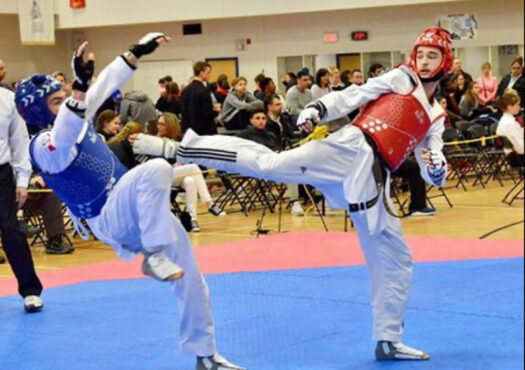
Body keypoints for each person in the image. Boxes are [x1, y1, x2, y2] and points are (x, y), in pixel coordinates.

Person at [177, 27, 453, 362]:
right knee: (271, 164)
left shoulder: (436, 115)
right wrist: (318, 109)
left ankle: (388, 339)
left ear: (445, 61)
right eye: (421, 54)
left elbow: (431, 161)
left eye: (432, 55)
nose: (423, 61)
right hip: (348, 150)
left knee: (396, 258)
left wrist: (436, 169)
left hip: (374, 179)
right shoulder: (401, 78)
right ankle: (191, 147)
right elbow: (353, 94)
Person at [15, 33, 244, 370]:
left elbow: (103, 85)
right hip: (108, 215)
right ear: (38, 111)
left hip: (136, 211)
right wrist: (78, 85)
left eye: (65, 97)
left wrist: (135, 52)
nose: (65, 103)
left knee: (192, 279)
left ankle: (206, 355)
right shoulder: (42, 145)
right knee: (155, 169)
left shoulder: (76, 115)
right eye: (55, 101)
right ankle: (153, 255)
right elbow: (65, 130)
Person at [0, 80, 44, 312]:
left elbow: (19, 142)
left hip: (2, 174)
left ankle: (30, 290)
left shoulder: (7, 100)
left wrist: (22, 181)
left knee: (10, 229)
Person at [153, 112, 226, 232]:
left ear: (170, 126)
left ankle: (192, 219)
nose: (158, 127)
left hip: (178, 175)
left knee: (190, 181)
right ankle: (209, 203)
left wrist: (181, 164)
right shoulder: (155, 142)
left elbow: (188, 158)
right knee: (193, 168)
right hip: (162, 176)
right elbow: (154, 163)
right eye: (158, 124)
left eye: (162, 124)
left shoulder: (180, 142)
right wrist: (172, 164)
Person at [180, 61, 219, 135]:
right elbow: (207, 114)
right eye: (208, 72)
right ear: (201, 73)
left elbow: (183, 112)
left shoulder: (186, 90)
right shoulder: (204, 90)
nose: (210, 75)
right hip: (204, 130)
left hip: (190, 131)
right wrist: (216, 111)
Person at [496, 89, 524, 166]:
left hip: (510, 156)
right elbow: (521, 148)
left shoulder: (504, 120)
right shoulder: (511, 123)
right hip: (517, 158)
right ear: (509, 107)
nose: (519, 107)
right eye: (517, 105)